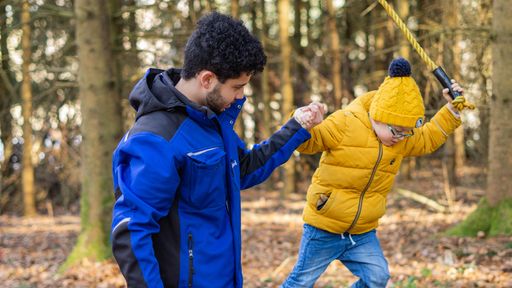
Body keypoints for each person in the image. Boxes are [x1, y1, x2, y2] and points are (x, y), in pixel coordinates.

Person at [110, 12, 325, 288]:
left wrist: (297, 126)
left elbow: (243, 168)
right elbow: (130, 230)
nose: (241, 97)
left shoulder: (210, 120)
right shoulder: (155, 138)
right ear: (207, 79)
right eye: (237, 87)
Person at [281, 57, 473, 288]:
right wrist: (304, 123)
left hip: (362, 232)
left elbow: (429, 138)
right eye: (396, 131)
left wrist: (451, 110)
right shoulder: (345, 123)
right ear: (377, 116)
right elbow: (308, 143)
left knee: (378, 278)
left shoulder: (400, 140)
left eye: (406, 133)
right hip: (324, 226)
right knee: (301, 281)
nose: (400, 137)